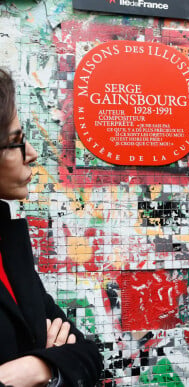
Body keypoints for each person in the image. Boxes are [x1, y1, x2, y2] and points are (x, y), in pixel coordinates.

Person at [0, 68, 102, 386]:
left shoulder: (7, 246)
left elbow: (87, 354)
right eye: (15, 143)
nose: (30, 154)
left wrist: (36, 368)